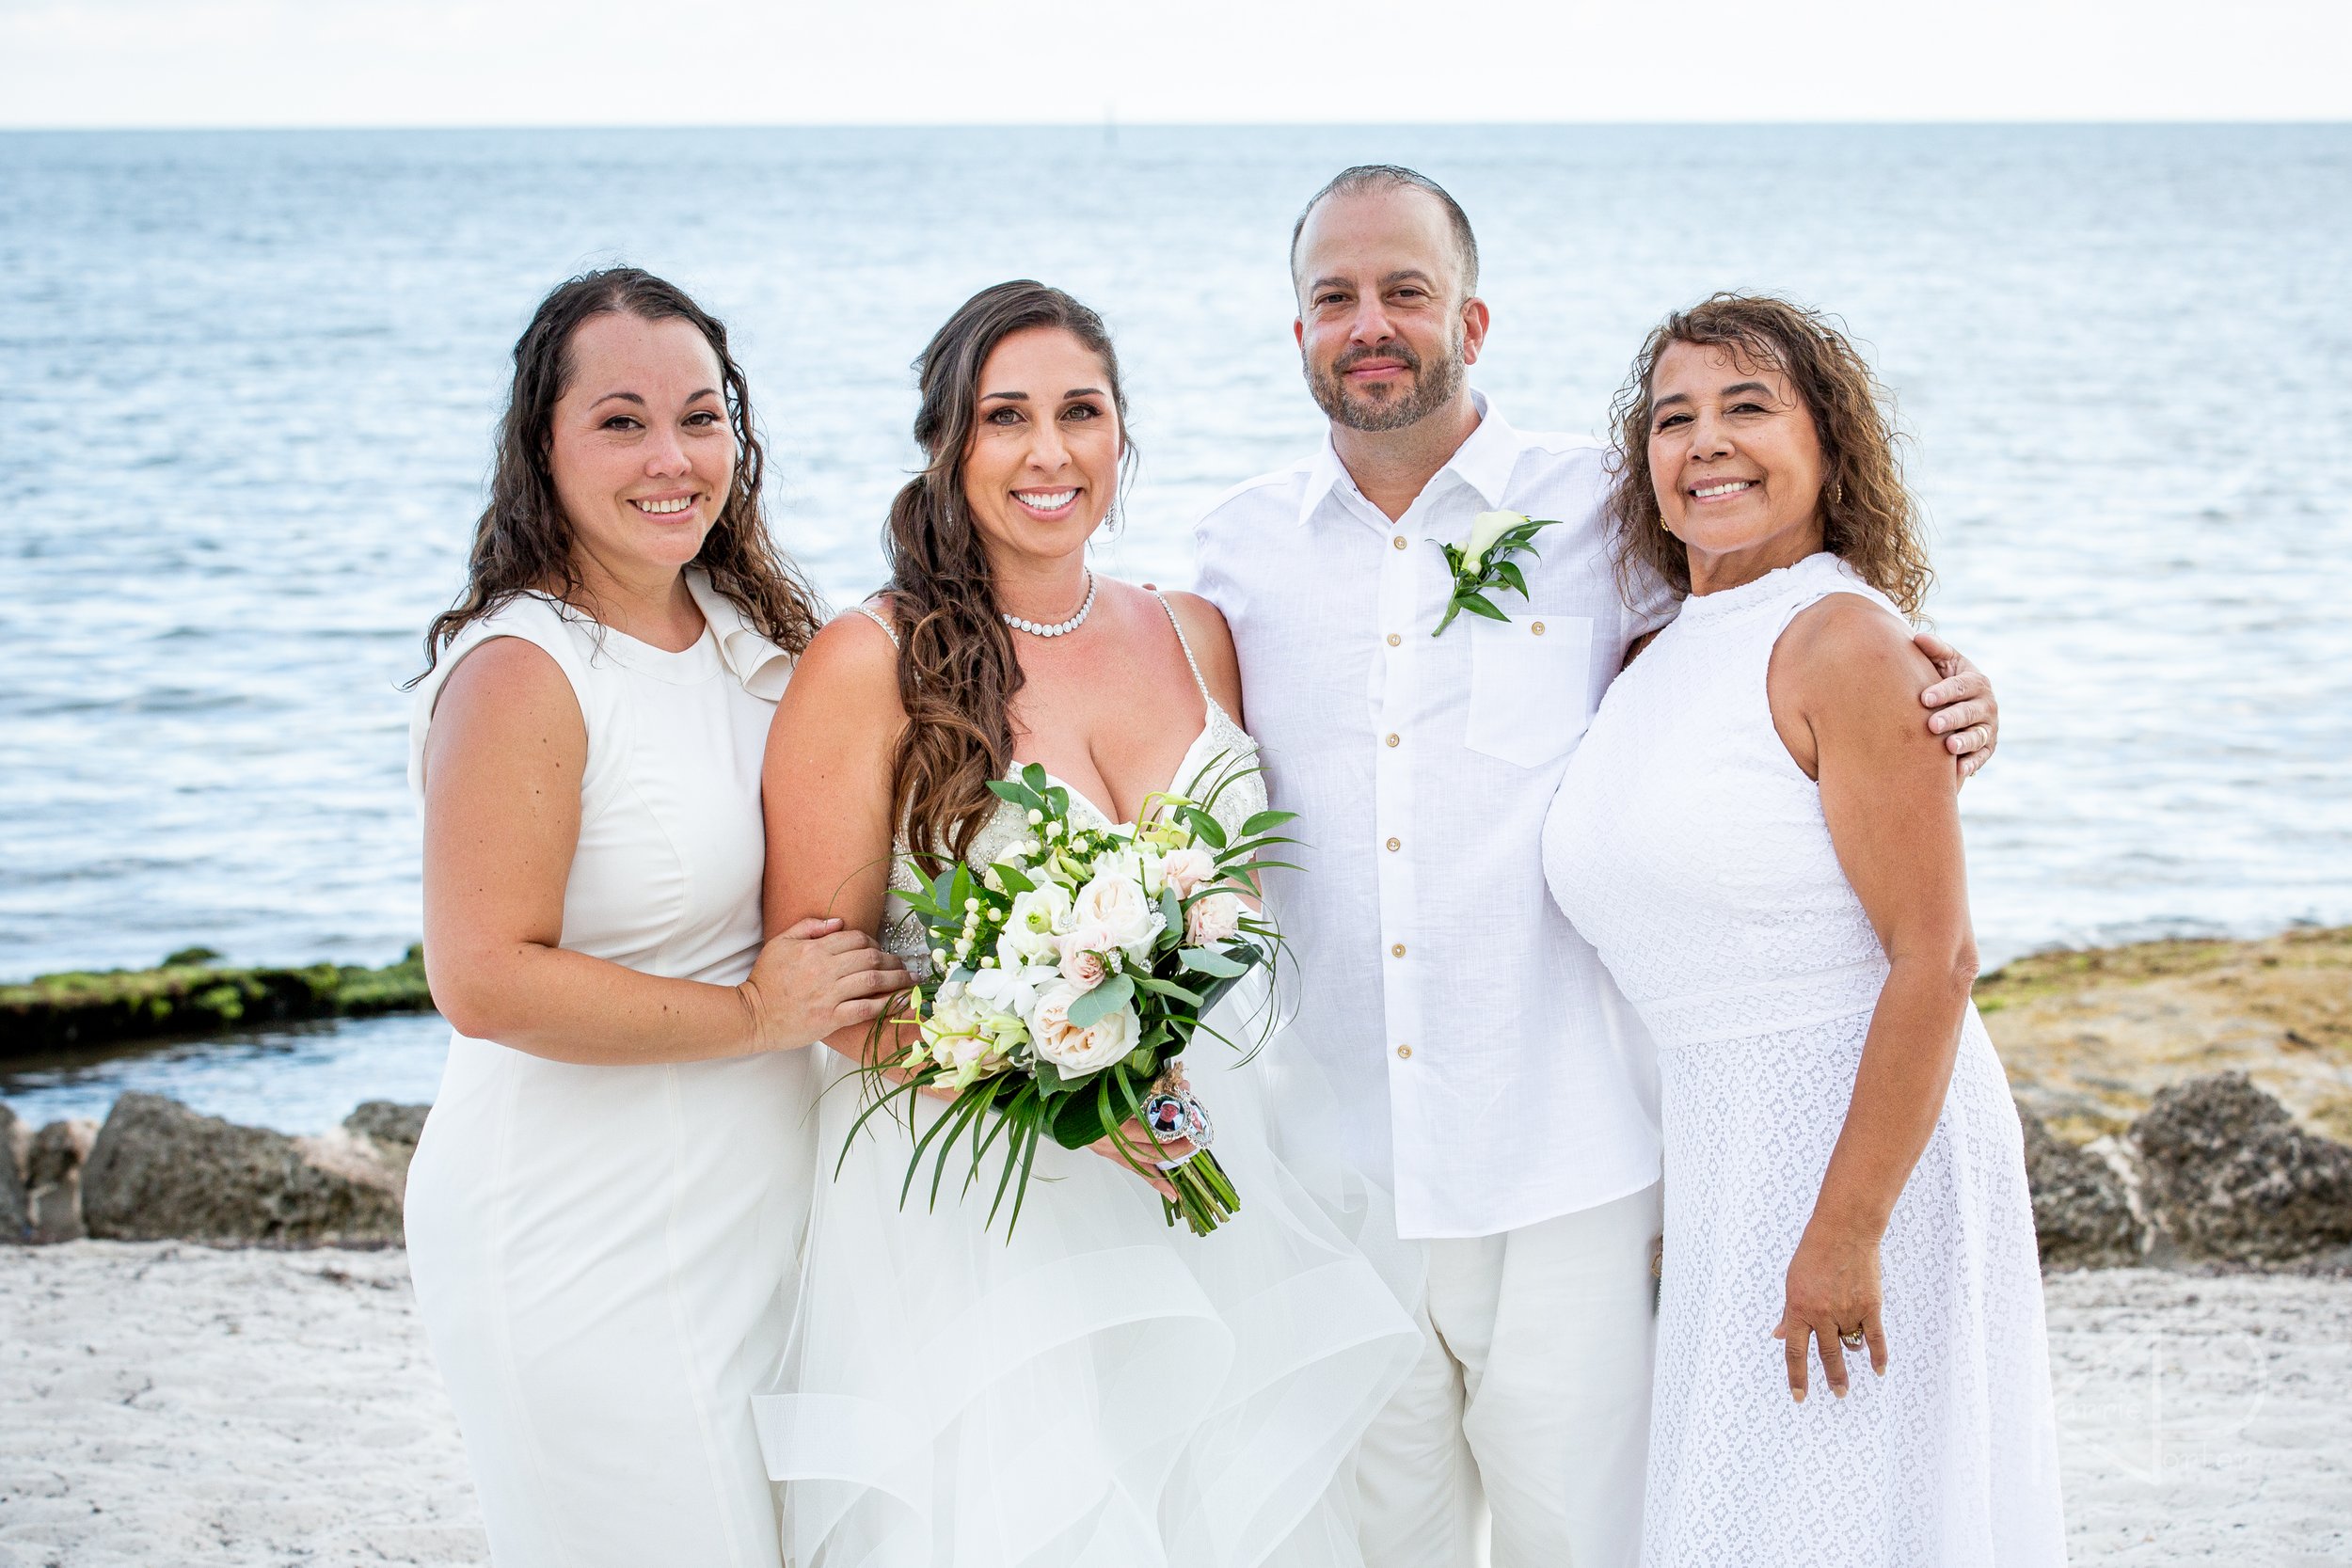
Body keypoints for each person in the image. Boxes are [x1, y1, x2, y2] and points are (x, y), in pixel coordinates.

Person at [1190, 167, 2002, 1566]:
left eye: (1406, 291)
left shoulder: (1604, 513)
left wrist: (1957, 695)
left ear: (1475, 317)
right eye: (1336, 297)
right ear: (1300, 330)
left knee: (1603, 1539)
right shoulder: (1233, 550)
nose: (1371, 321)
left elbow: (1768, 654)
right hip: (1335, 1164)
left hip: (1565, 1154)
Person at [755, 279, 1421, 1566]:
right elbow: (821, 986)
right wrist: (1048, 1080)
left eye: (1082, 412)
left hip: (1217, 1169)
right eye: (1006, 417)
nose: (1049, 452)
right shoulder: (867, 661)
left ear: (1124, 436)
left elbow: (1256, 884)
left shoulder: (1192, 632)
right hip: (987, 1220)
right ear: (949, 449)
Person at [1543, 293, 2064, 1564]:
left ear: (1830, 446)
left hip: (1864, 1148)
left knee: (1841, 1514)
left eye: (1748, 408)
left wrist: (1846, 1229)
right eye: (1675, 420)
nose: (1706, 442)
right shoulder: (1651, 658)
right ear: (1648, 471)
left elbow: (1935, 957)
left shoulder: (1842, 641)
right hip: (1725, 1151)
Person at [404, 267, 907, 1568]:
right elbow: (482, 978)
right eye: (622, 421)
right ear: (545, 448)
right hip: (576, 1233)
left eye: (702, 416)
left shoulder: (762, 641)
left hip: (763, 1221)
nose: (673, 458)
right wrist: (755, 1013)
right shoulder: (527, 668)